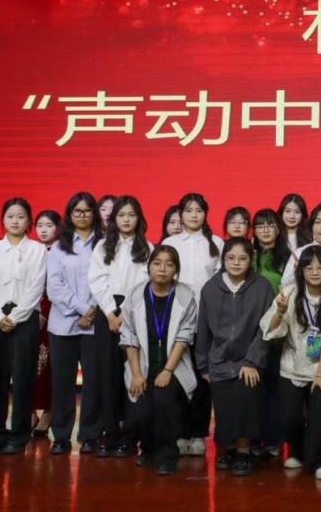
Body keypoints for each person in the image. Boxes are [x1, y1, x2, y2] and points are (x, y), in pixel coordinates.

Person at [261, 245, 321, 480]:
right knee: (289, 417)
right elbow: (270, 329)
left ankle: (320, 460)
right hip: (292, 363)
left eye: (320, 267)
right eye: (309, 267)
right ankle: (297, 451)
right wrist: (280, 311)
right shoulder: (290, 292)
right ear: (301, 270)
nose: (315, 272)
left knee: (320, 412)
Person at [196, 238, 274, 476]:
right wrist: (203, 364)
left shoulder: (262, 287)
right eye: (231, 258)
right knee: (224, 406)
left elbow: (266, 328)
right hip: (218, 359)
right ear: (223, 259)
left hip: (248, 360)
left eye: (242, 258)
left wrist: (252, 361)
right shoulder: (210, 287)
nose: (236, 263)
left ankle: (243, 450)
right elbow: (203, 329)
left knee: (245, 399)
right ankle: (227, 449)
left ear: (251, 260)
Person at [0, 198, 47, 455]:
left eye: (20, 216)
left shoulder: (38, 250)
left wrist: (15, 316)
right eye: (10, 216)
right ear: (2, 220)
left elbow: (36, 286)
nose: (15, 221)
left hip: (25, 319)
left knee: (23, 377)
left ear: (29, 221)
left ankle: (19, 434)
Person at [120, 245, 198, 476]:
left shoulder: (185, 295)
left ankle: (166, 456)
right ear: (149, 267)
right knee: (141, 410)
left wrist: (167, 370)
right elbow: (129, 337)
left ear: (176, 270)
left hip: (173, 366)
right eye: (157, 263)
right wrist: (136, 374)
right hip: (142, 365)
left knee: (164, 401)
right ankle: (148, 449)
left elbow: (183, 337)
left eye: (169, 264)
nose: (162, 269)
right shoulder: (135, 295)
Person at [87, 195, 152, 457]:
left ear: (139, 219)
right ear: (113, 219)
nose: (126, 219)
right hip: (106, 317)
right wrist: (109, 313)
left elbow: (145, 283)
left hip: (135, 316)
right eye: (121, 215)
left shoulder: (147, 247)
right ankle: (110, 433)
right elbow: (96, 280)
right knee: (108, 375)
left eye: (131, 215)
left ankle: (131, 436)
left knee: (133, 374)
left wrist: (125, 313)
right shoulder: (103, 246)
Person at [162, 193, 224, 457]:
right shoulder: (170, 243)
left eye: (199, 210)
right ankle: (179, 432)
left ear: (205, 213)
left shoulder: (216, 243)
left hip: (205, 319)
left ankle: (198, 433)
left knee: (202, 378)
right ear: (181, 214)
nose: (194, 215)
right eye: (188, 210)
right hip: (174, 318)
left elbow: (221, 282)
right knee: (176, 375)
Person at [47, 192, 103, 456]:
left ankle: (90, 435)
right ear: (69, 215)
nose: (82, 215)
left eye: (87, 211)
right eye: (77, 211)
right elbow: (54, 286)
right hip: (62, 325)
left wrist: (92, 310)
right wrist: (83, 309)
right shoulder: (58, 247)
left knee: (93, 383)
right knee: (62, 384)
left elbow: (105, 280)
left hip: (95, 325)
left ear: (95, 214)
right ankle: (60, 436)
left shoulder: (104, 244)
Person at [251, 207, 291, 458]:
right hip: (251, 329)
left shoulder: (288, 257)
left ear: (278, 229)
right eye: (260, 225)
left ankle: (274, 439)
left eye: (270, 225)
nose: (265, 230)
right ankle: (254, 437)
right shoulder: (248, 256)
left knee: (275, 386)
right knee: (253, 387)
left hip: (278, 328)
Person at [31, 210, 61, 437]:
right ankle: (29, 410)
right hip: (28, 314)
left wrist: (46, 313)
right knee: (27, 365)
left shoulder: (62, 252)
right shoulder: (31, 251)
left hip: (55, 316)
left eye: (49, 225)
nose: (43, 230)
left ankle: (50, 412)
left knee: (50, 366)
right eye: (39, 225)